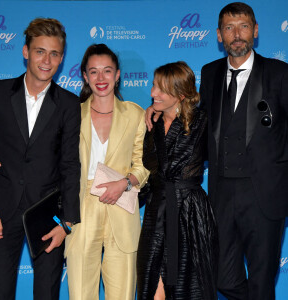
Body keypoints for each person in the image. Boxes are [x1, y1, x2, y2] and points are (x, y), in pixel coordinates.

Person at [146, 3, 288, 300]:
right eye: (229, 28)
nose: (237, 34)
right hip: (220, 196)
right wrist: (158, 107)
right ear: (219, 35)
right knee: (221, 278)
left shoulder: (279, 73)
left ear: (256, 31)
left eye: (244, 26)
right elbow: (192, 116)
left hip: (265, 197)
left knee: (263, 280)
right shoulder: (209, 73)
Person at [0, 18, 81, 300]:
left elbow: (70, 165)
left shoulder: (69, 103)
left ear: (62, 58)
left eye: (54, 53)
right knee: (0, 293)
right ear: (26, 51)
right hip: (0, 212)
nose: (47, 60)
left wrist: (66, 222)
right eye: (40, 51)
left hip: (47, 214)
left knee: (46, 294)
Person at [64, 43, 149, 300]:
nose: (101, 78)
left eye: (107, 71)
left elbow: (143, 164)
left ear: (118, 74)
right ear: (85, 76)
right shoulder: (72, 114)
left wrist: (124, 183)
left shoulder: (135, 114)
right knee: (80, 292)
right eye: (94, 72)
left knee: (123, 293)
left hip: (121, 206)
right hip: (81, 209)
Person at [138, 61, 218, 300]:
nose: (153, 93)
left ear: (181, 94)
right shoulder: (151, 125)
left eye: (161, 90)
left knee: (190, 289)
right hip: (156, 214)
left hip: (190, 215)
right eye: (154, 86)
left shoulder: (203, 122)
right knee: (151, 286)